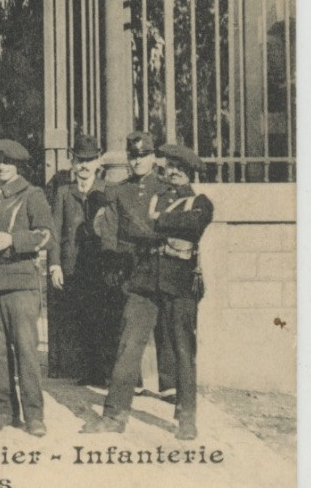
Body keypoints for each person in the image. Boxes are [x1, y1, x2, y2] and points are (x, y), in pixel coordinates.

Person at [86, 144, 213, 440]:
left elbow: (193, 227)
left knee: (183, 350)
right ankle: (114, 415)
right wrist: (158, 227)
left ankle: (186, 417)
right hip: (144, 281)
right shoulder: (151, 196)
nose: (174, 173)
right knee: (129, 345)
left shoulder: (200, 202)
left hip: (180, 284)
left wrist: (157, 222)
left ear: (190, 174)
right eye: (170, 167)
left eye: (181, 170)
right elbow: (128, 228)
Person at [0, 140, 58, 436]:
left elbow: (46, 236)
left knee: (26, 351)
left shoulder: (33, 195)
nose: (1, 167)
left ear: (17, 165)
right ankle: (4, 410)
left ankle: (34, 415)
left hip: (20, 284)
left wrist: (14, 240)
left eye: (6, 162)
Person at [95, 132, 178, 402]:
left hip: (162, 261)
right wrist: (112, 259)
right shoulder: (119, 190)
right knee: (130, 325)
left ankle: (170, 383)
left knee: (166, 321)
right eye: (134, 156)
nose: (138, 160)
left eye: (144, 155)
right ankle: (134, 381)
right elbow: (109, 228)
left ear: (153, 157)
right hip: (131, 265)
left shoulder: (166, 188)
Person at [51, 134, 114, 385]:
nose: (84, 166)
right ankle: (89, 372)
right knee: (81, 319)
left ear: (98, 161)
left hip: (100, 266)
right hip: (73, 266)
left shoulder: (107, 191)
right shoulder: (64, 193)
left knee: (104, 318)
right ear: (72, 161)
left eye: (89, 160)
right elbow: (54, 232)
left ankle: (105, 373)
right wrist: (54, 264)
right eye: (80, 160)